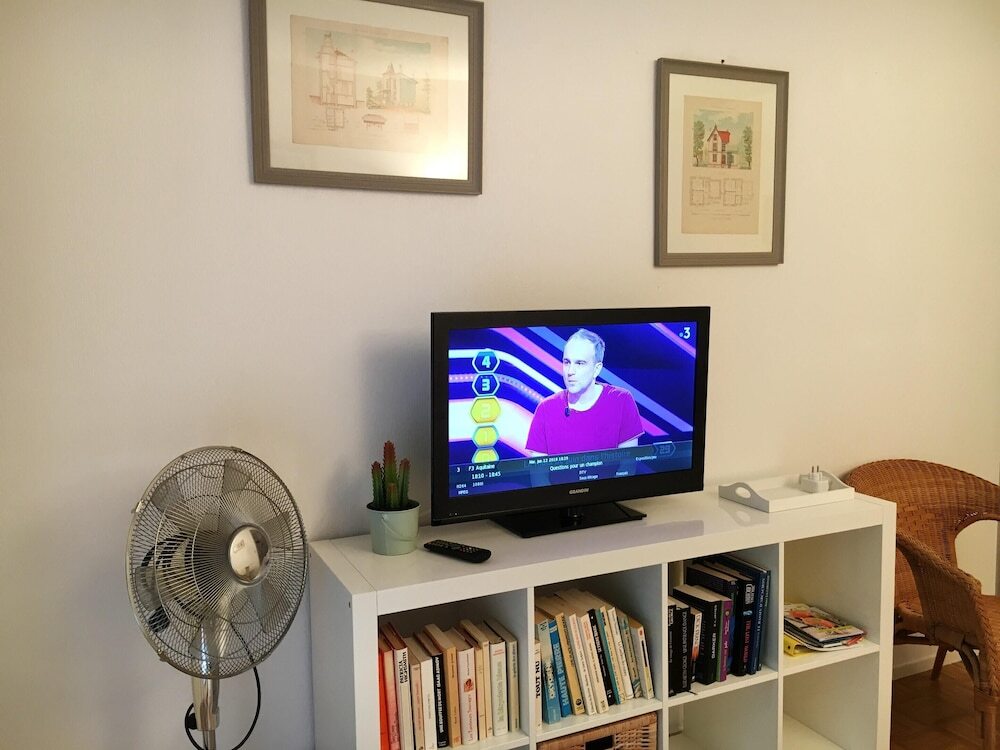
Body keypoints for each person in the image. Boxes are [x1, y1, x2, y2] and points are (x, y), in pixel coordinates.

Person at [525, 329, 643, 455]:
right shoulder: (546, 409)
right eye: (567, 362)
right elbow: (538, 466)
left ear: (596, 369)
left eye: (580, 363)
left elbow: (628, 462)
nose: (570, 371)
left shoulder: (621, 401)